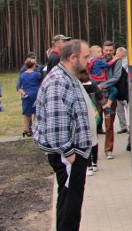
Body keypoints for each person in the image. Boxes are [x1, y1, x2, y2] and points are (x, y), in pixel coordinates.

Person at [33, 39, 96, 231]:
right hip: (68, 155)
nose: (89, 61)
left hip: (73, 153)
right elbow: (56, 124)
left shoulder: (67, 76)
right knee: (70, 206)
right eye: (86, 57)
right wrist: (69, 154)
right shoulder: (59, 82)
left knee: (70, 203)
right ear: (73, 57)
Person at [17, 57, 42, 137]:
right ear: (33, 66)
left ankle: (25, 130)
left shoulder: (22, 75)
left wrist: (23, 92)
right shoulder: (37, 74)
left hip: (26, 95)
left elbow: (18, 87)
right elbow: (41, 83)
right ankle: (35, 129)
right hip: (36, 94)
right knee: (36, 113)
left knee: (27, 114)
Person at [113, 47, 130, 134]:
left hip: (126, 89)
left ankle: (130, 126)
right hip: (119, 88)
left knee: (128, 108)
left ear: (123, 53)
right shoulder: (118, 62)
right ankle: (123, 126)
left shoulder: (127, 62)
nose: (116, 54)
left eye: (117, 53)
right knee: (119, 109)